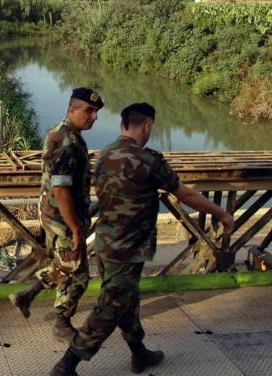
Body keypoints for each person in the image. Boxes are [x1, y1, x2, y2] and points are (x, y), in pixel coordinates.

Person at [50, 102, 235, 375]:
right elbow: (186, 195)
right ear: (147, 126)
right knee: (110, 307)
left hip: (105, 243)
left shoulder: (104, 155)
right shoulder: (149, 160)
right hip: (129, 247)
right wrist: (223, 214)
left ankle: (139, 354)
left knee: (127, 299)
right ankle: (67, 365)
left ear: (122, 124)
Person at [9, 87, 103, 343]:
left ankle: (26, 296)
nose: (93, 117)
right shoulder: (66, 142)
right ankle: (61, 322)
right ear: (72, 109)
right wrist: (75, 229)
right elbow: (61, 190)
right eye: (89, 111)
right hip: (63, 218)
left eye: (95, 112)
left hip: (55, 214)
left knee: (65, 264)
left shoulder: (64, 133)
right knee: (79, 274)